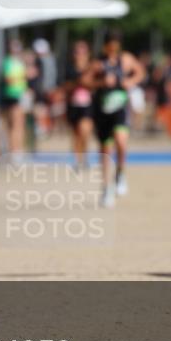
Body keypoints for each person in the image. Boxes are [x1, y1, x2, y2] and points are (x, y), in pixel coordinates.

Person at [84, 29, 146, 207]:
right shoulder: (98, 64)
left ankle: (120, 173)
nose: (112, 50)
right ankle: (106, 188)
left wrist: (130, 82)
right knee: (105, 150)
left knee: (121, 141)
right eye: (110, 47)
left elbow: (140, 72)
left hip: (120, 108)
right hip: (102, 110)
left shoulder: (125, 60)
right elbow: (85, 81)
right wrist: (101, 83)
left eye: (115, 47)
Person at [63, 40, 95, 168]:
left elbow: (97, 84)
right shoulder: (69, 69)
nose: (80, 54)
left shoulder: (92, 68)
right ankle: (77, 159)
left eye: (83, 52)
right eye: (77, 52)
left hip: (88, 105)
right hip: (73, 105)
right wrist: (78, 82)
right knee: (76, 133)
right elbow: (64, 86)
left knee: (85, 131)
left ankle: (85, 155)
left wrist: (87, 83)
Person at [0, 39, 28, 160]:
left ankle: (15, 151)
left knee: (15, 125)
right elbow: (9, 79)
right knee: (16, 125)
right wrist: (23, 79)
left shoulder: (18, 62)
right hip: (13, 96)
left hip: (17, 95)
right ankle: (15, 152)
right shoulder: (9, 62)